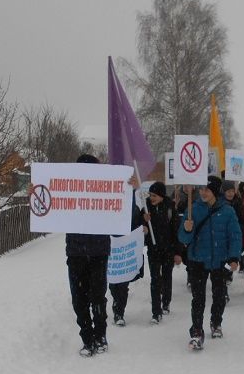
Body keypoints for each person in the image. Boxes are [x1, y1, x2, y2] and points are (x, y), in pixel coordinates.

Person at [42, 153, 111, 357]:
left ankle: (100, 336)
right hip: (76, 253)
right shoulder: (69, 189)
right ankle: (87, 338)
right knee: (79, 300)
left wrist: (127, 189)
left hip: (98, 253)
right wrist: (35, 193)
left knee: (98, 297)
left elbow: (121, 218)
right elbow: (48, 211)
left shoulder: (105, 191)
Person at [177, 176, 242, 350]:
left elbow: (235, 236)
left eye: (207, 189)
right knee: (198, 298)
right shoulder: (193, 209)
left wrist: (234, 257)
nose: (203, 192)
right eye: (201, 189)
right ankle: (197, 330)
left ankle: (216, 322)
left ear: (214, 191)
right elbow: (183, 238)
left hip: (220, 260)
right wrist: (186, 229)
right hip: (197, 259)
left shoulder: (227, 211)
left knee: (219, 295)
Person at [142, 181, 182, 323]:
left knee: (166, 276)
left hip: (168, 249)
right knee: (155, 279)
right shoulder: (146, 207)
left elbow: (176, 231)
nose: (152, 198)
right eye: (150, 195)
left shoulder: (170, 208)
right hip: (153, 249)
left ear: (161, 196)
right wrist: (144, 222)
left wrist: (178, 252)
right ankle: (156, 311)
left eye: (155, 195)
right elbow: (140, 226)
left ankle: (166, 301)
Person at [109, 192, 145, 327]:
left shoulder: (134, 210)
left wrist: (143, 225)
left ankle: (119, 312)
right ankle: (116, 300)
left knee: (123, 284)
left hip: (126, 251)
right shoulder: (109, 208)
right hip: (112, 250)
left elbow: (139, 225)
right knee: (113, 283)